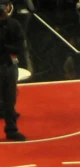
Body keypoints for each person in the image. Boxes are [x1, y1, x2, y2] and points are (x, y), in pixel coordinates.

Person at [0, 0, 25, 141]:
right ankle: (11, 129)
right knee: (9, 99)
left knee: (10, 99)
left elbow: (20, 47)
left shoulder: (13, 25)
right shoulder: (14, 24)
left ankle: (11, 130)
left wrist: (5, 47)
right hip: (8, 64)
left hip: (9, 65)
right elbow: (18, 47)